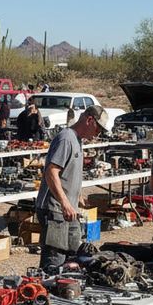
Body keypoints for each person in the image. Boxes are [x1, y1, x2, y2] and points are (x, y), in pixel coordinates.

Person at [35, 105, 108, 272]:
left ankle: (65, 289)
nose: (98, 135)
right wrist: (65, 202)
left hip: (68, 209)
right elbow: (51, 172)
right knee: (55, 259)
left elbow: (68, 173)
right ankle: (47, 291)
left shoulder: (77, 141)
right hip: (56, 210)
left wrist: (78, 197)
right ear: (89, 120)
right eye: (98, 129)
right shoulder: (66, 139)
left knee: (74, 255)